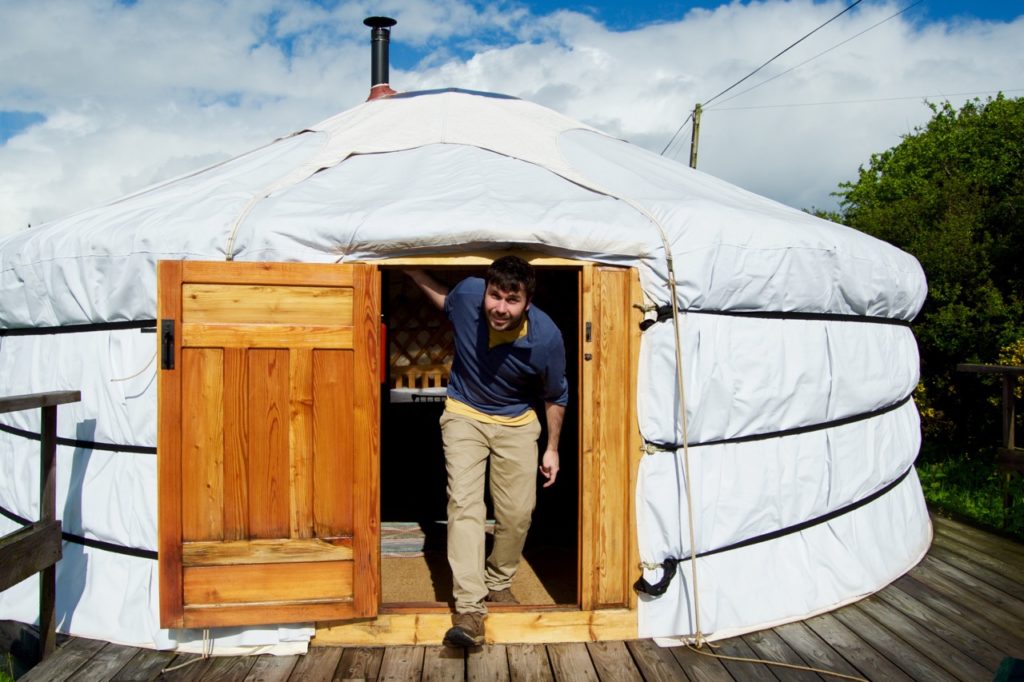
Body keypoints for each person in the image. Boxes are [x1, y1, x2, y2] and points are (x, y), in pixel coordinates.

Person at [404, 255, 568, 648]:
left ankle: (498, 581)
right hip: (464, 412)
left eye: (512, 300)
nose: (500, 307)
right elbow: (444, 298)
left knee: (517, 511)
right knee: (465, 505)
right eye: (495, 296)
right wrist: (409, 269)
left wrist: (553, 449)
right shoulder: (469, 295)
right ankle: (470, 609)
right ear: (486, 291)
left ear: (527, 303)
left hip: (516, 420)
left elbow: (555, 395)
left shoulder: (546, 337)